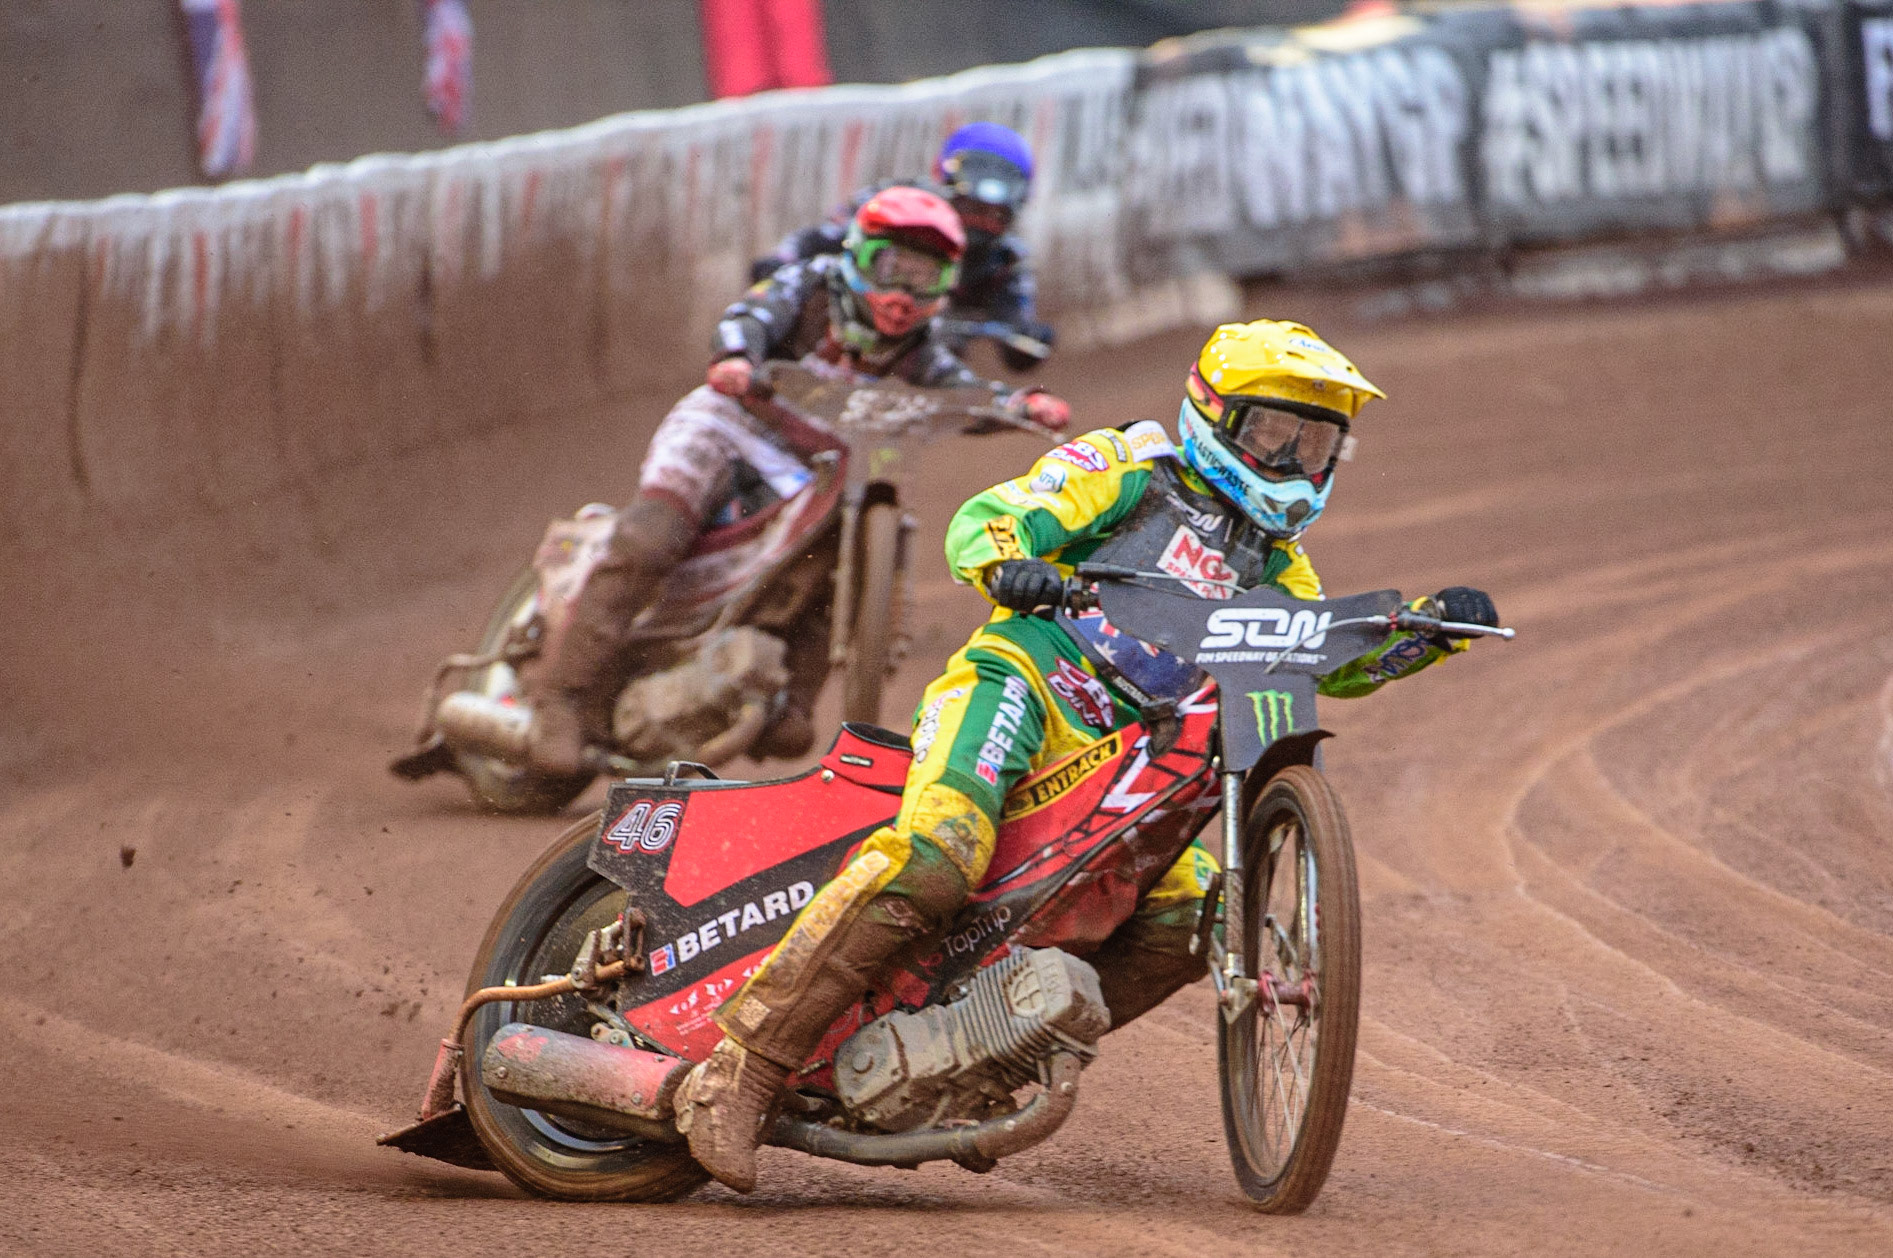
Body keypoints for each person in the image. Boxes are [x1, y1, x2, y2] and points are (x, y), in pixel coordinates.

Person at [672, 319, 1500, 1192]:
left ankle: (982, 1062)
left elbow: (1321, 662)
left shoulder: (1278, 563)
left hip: (1135, 764)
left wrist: (1421, 632)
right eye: (1272, 433)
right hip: (1024, 688)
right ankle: (742, 1071)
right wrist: (1009, 564)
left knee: (1203, 922)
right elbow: (989, 518)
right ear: (1214, 417)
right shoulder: (1130, 468)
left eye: (1315, 441)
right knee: (935, 855)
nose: (1291, 459)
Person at [523, 185, 1070, 778]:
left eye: (926, 277)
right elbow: (750, 314)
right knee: (653, 535)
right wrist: (736, 356)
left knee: (826, 559)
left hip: (817, 467)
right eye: (894, 269)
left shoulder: (920, 347)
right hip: (733, 424)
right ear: (860, 255)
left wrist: (1018, 404)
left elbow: (958, 391)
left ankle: (794, 697)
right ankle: (562, 699)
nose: (905, 294)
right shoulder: (810, 285)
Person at [752, 122, 1054, 370]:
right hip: (844, 320)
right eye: (969, 206)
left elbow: (1018, 339)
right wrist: (781, 262)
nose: (978, 221)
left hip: (917, 357)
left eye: (994, 214)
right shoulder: (894, 205)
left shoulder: (1005, 260)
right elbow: (817, 239)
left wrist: (1025, 338)